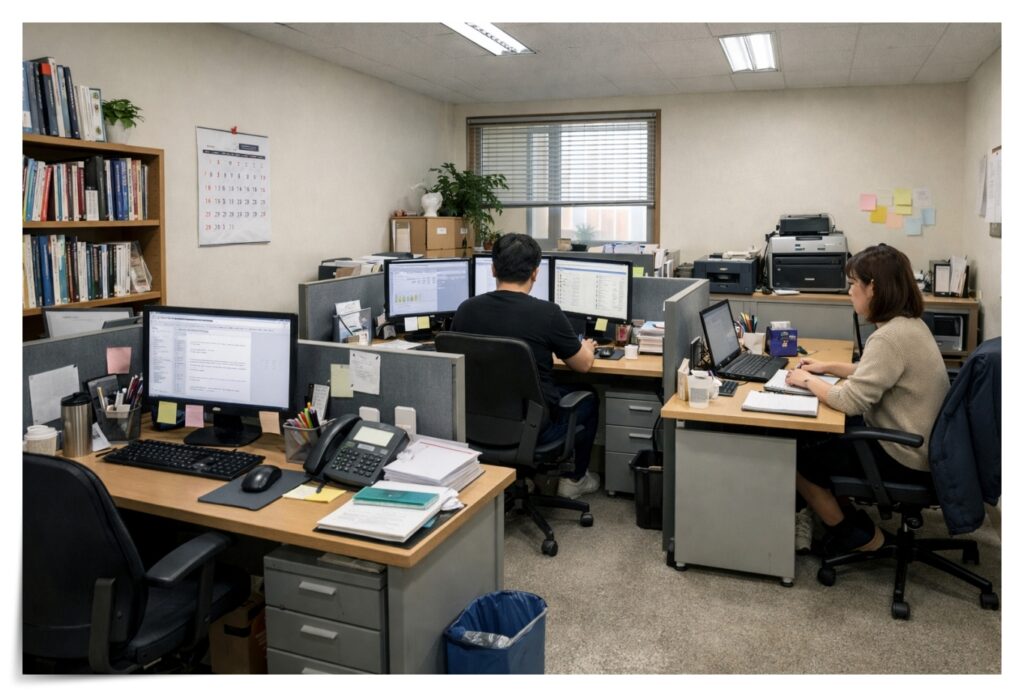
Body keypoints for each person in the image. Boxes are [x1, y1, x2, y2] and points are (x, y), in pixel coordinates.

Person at [785, 244, 949, 554]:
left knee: (796, 452)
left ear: (872, 288)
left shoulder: (888, 337)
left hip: (905, 456)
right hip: (924, 446)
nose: (849, 292)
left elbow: (848, 401)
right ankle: (837, 513)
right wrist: (827, 367)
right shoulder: (909, 325)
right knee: (817, 436)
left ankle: (855, 536)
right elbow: (876, 371)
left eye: (852, 284)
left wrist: (806, 379)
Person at [450, 233, 601, 499]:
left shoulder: (465, 310)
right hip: (535, 429)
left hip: (476, 426)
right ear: (535, 273)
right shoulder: (548, 313)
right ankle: (575, 479)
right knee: (588, 395)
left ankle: (521, 477)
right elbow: (583, 365)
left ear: (493, 269)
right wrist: (586, 347)